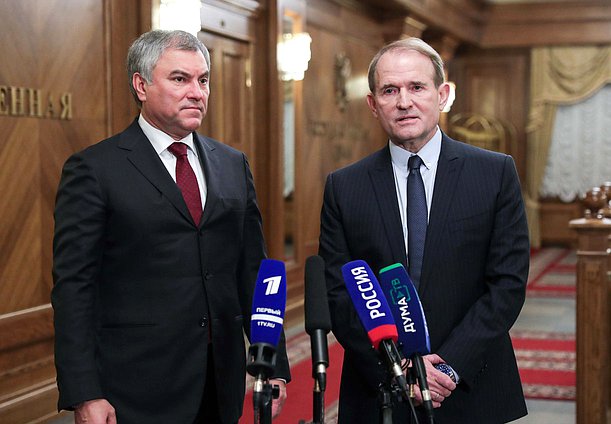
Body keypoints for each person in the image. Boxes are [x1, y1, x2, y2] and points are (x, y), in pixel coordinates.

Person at [51, 29, 290, 424]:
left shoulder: (233, 164)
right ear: (141, 85)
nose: (196, 92)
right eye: (180, 79)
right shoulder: (94, 169)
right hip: (136, 386)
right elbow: (74, 287)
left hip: (221, 379)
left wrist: (273, 360)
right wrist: (84, 392)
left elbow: (253, 270)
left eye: (203, 80)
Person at [318, 37, 529, 423]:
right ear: (372, 104)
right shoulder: (344, 187)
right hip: (379, 389)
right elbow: (339, 294)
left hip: (472, 384)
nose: (403, 101)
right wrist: (398, 369)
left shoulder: (495, 173)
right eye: (389, 90)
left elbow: (507, 285)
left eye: (417, 87)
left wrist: (448, 367)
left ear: (442, 94)